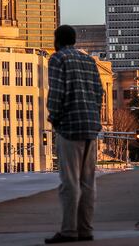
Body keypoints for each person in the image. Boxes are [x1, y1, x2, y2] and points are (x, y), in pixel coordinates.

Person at [45, 25, 104, 244]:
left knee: (69, 182)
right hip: (90, 126)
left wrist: (54, 116)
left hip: (70, 127)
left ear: (57, 41)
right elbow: (99, 92)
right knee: (88, 182)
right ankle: (85, 229)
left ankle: (69, 231)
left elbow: (57, 92)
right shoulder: (89, 61)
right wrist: (94, 117)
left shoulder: (58, 59)